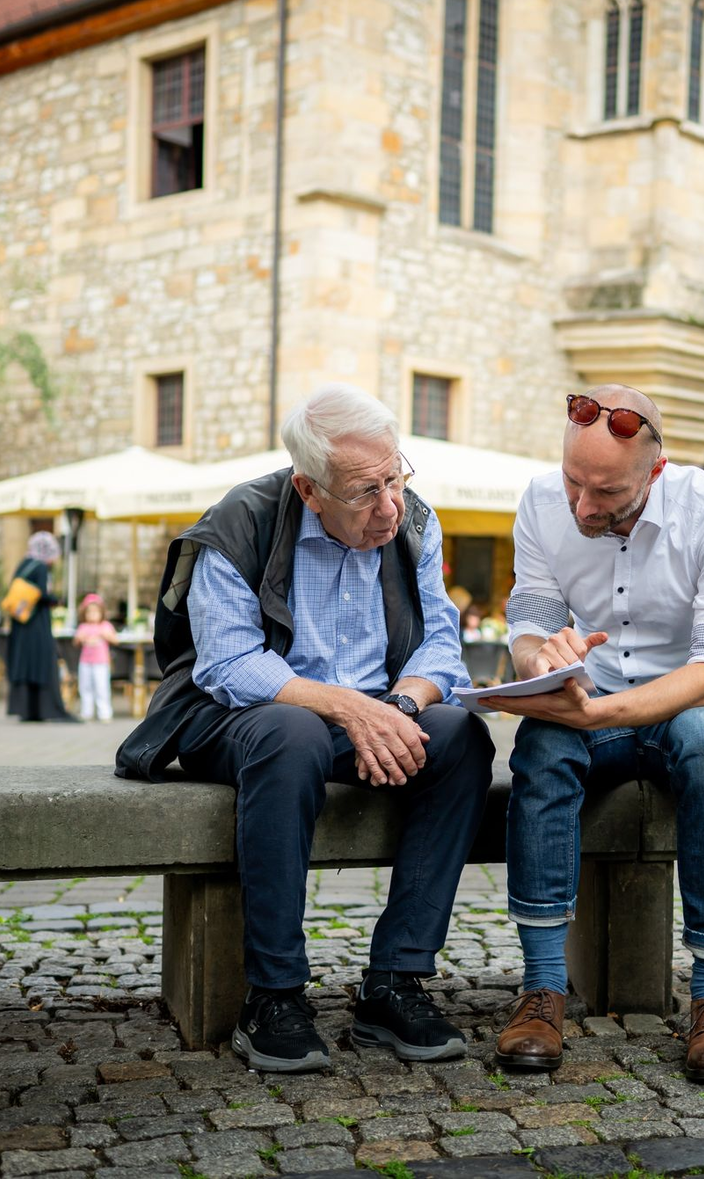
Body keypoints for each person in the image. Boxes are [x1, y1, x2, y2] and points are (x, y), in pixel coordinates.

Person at [115, 383, 494, 1073]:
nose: (388, 506)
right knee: (294, 733)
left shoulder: (411, 521)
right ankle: (276, 994)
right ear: (310, 488)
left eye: (394, 478)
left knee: (461, 737)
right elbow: (228, 663)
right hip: (238, 717)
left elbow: (441, 646)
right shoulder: (240, 520)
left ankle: (395, 980)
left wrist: (400, 711)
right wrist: (350, 708)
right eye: (363, 491)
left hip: (373, 714)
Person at [482, 386, 704, 1084]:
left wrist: (603, 713)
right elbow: (531, 618)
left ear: (655, 472)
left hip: (688, 699)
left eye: (604, 491)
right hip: (593, 693)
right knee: (542, 744)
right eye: (575, 480)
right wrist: (541, 662)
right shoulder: (542, 502)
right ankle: (544, 988)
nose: (582, 506)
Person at [5, 531, 76, 722]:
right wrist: (55, 599)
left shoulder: (23, 563)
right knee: (41, 661)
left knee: (26, 663)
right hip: (37, 624)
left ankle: (27, 710)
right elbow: (42, 595)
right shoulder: (41, 567)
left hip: (20, 623)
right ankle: (45, 708)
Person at [73, 593, 118, 721]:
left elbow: (116, 640)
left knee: (102, 687)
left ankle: (104, 713)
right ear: (84, 613)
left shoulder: (105, 626)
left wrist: (107, 635)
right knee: (85, 687)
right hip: (85, 662)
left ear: (101, 612)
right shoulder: (83, 627)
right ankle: (86, 712)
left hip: (101, 662)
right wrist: (79, 638)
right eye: (89, 612)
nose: (92, 615)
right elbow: (75, 642)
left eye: (95, 612)